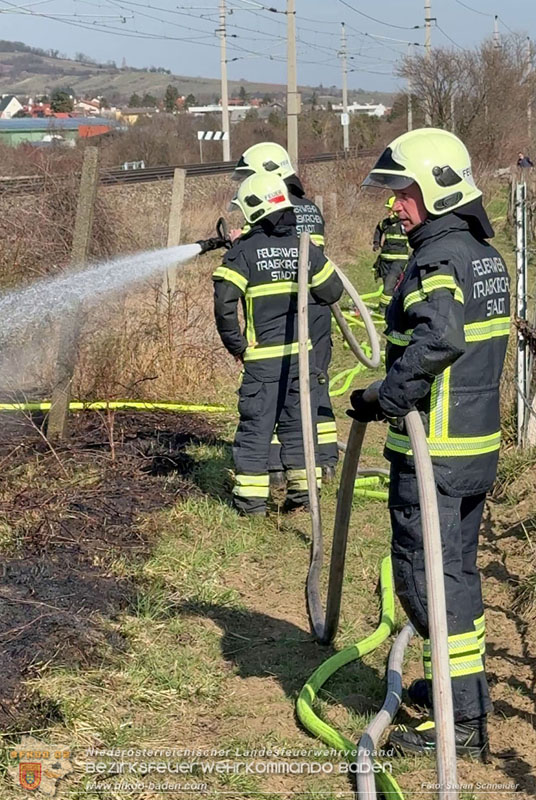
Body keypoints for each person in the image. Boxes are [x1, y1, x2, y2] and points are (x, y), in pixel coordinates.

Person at [348, 128, 510, 758]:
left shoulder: (437, 257)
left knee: (422, 581)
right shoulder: (480, 253)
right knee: (457, 578)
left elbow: (438, 339)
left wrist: (385, 397)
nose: (396, 206)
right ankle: (460, 693)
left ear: (439, 189)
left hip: (433, 457)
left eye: (405, 192)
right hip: (474, 450)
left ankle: (459, 723)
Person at [213, 172, 343, 516]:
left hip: (262, 362)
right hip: (300, 359)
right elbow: (332, 292)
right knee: (299, 427)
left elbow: (224, 303)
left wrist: (237, 346)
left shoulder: (243, 252)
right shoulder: (304, 247)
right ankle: (303, 498)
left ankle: (252, 505)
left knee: (256, 431)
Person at [232, 142, 338, 484]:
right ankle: (322, 462)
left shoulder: (274, 212)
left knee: (280, 394)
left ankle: (278, 468)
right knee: (312, 385)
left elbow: (270, 253)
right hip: (316, 311)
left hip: (284, 315)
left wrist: (241, 245)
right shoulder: (307, 209)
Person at [372, 195, 409, 312]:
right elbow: (378, 229)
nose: (388, 212)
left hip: (399, 260)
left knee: (389, 285)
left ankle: (384, 310)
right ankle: (389, 307)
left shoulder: (404, 224)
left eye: (390, 209)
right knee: (386, 285)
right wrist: (376, 242)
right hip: (385, 260)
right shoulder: (385, 223)